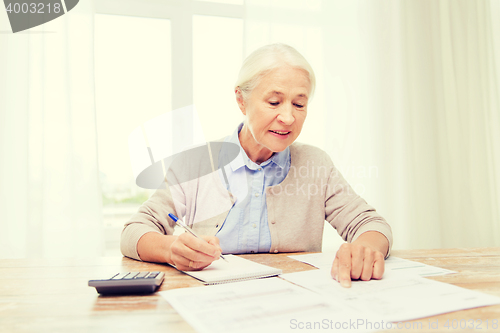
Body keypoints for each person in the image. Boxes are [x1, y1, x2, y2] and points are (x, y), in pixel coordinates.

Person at [121, 43, 393, 288]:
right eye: (274, 102)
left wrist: (365, 248)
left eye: (299, 104)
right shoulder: (196, 163)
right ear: (241, 100)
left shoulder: (316, 164)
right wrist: (171, 249)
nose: (288, 117)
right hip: (211, 305)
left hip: (295, 304)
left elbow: (371, 224)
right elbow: (134, 231)